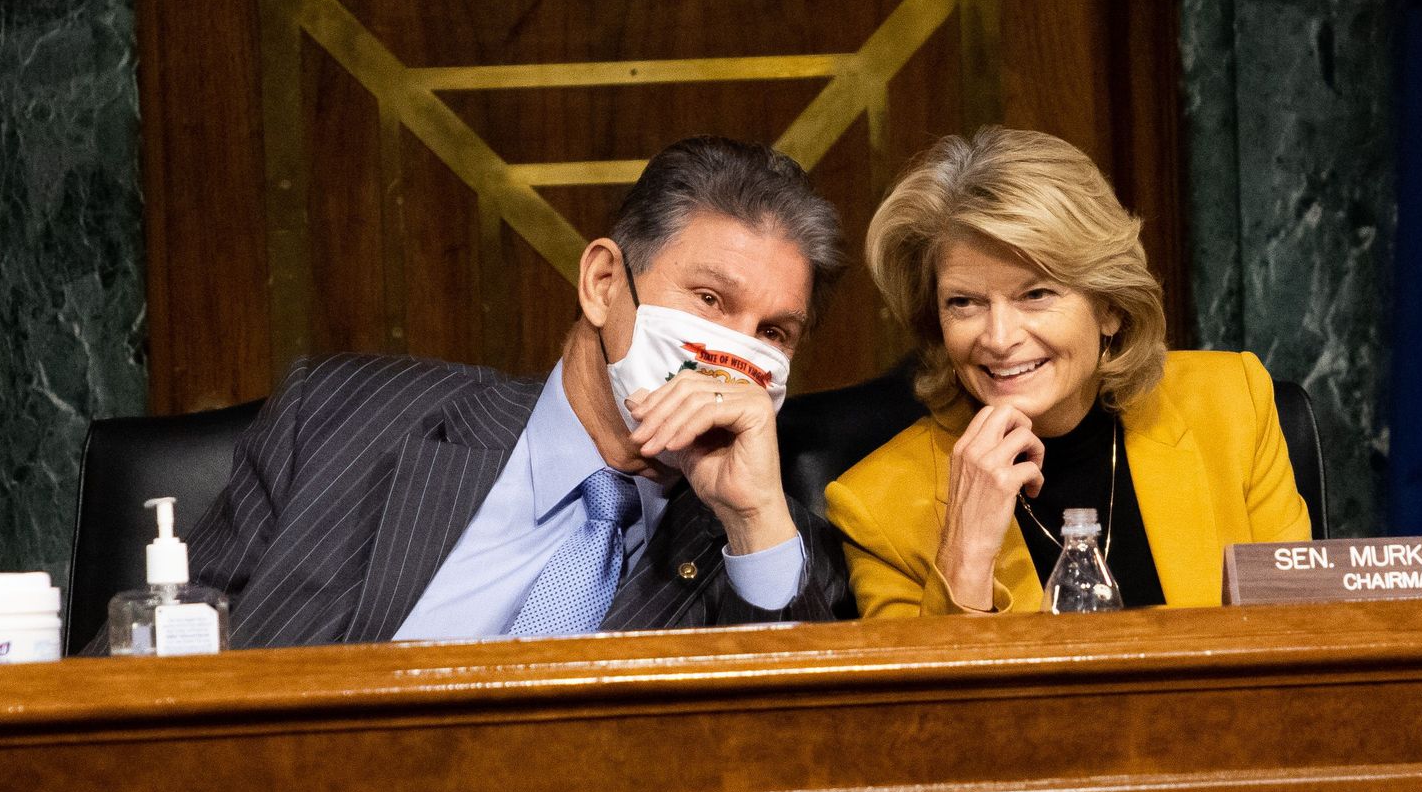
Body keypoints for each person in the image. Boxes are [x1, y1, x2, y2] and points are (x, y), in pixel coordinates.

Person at [131, 137, 852, 649]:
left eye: (776, 333)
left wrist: (749, 518)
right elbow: (132, 677)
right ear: (603, 283)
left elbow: (801, 774)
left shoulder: (778, 552)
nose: (736, 354)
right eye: (709, 299)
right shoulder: (338, 417)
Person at [825, 128, 1309, 618]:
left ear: (1110, 307)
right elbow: (923, 697)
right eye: (964, 303)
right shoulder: (877, 506)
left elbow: (1302, 636)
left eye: (1035, 294)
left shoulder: (1231, 404)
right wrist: (965, 554)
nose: (998, 337)